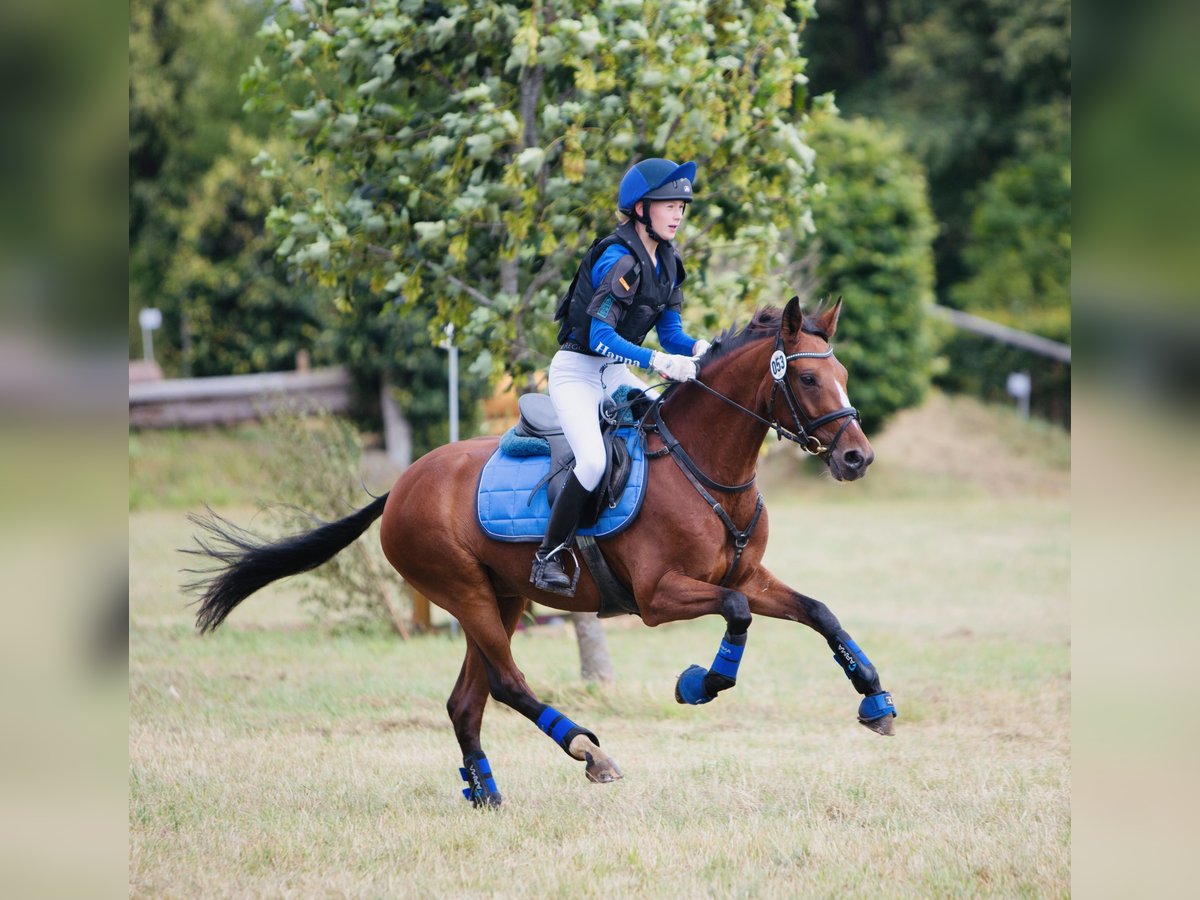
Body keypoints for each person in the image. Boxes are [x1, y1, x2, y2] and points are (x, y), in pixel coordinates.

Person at [531, 157, 712, 593]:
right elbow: (599, 335)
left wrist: (700, 348)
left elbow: (671, 335)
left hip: (612, 371)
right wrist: (654, 362)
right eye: (668, 205)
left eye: (681, 207)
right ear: (639, 209)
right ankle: (548, 555)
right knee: (592, 461)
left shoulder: (668, 263)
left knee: (662, 427)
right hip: (577, 371)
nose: (677, 214)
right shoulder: (618, 259)